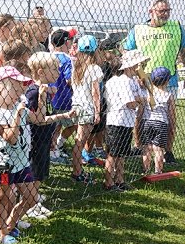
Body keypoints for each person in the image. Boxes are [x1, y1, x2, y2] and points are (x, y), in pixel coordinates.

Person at [124, 0, 185, 163]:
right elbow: (127, 52)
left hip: (167, 82)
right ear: (151, 12)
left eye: (168, 10)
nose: (166, 14)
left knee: (168, 118)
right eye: (162, 11)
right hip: (144, 80)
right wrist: (138, 75)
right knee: (140, 117)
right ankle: (139, 146)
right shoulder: (138, 29)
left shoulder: (176, 27)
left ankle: (167, 150)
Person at [24, 53, 76, 221]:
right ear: (40, 72)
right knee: (34, 172)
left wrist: (53, 136)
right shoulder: (34, 92)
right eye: (54, 69)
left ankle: (33, 199)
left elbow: (48, 114)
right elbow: (39, 120)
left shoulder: (45, 90)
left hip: (45, 137)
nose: (58, 72)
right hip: (36, 139)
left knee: (40, 172)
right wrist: (64, 116)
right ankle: (29, 205)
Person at [0, 63, 35, 244]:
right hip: (5, 165)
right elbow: (11, 138)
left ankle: (11, 223)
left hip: (22, 162)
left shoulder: (19, 103)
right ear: (0, 88)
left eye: (20, 87)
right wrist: (17, 114)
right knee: (3, 197)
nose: (19, 91)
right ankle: (2, 233)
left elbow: (36, 118)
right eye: (14, 87)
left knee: (31, 197)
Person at [103, 50, 149, 190]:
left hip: (126, 121)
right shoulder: (123, 81)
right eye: (139, 64)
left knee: (121, 153)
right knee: (113, 154)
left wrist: (139, 99)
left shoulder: (132, 81)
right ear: (132, 65)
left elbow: (139, 98)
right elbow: (130, 103)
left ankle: (120, 180)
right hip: (117, 121)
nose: (141, 66)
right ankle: (109, 183)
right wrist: (140, 101)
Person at [70, 35, 103, 183]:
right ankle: (77, 172)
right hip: (88, 107)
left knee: (79, 140)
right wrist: (97, 111)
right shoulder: (94, 68)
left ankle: (77, 170)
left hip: (77, 105)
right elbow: (95, 92)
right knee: (80, 142)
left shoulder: (77, 67)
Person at [48, 29, 75, 164]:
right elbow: (68, 80)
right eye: (69, 40)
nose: (71, 42)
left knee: (54, 125)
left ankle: (55, 148)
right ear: (65, 42)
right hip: (63, 97)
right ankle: (54, 149)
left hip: (50, 96)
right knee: (69, 124)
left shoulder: (49, 56)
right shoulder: (66, 59)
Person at [142, 67, 176, 174]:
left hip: (147, 121)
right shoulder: (168, 95)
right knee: (158, 149)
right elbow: (172, 114)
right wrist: (173, 125)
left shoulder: (148, 93)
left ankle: (146, 170)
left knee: (147, 148)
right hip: (161, 123)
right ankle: (158, 171)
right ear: (167, 81)